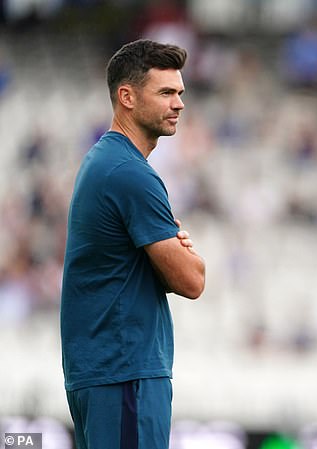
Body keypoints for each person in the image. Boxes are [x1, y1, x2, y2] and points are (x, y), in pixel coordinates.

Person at [60, 39, 206, 449]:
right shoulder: (129, 173)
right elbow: (192, 281)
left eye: (180, 93)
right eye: (165, 92)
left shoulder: (105, 161)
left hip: (105, 369)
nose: (178, 103)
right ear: (127, 96)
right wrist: (187, 255)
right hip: (124, 370)